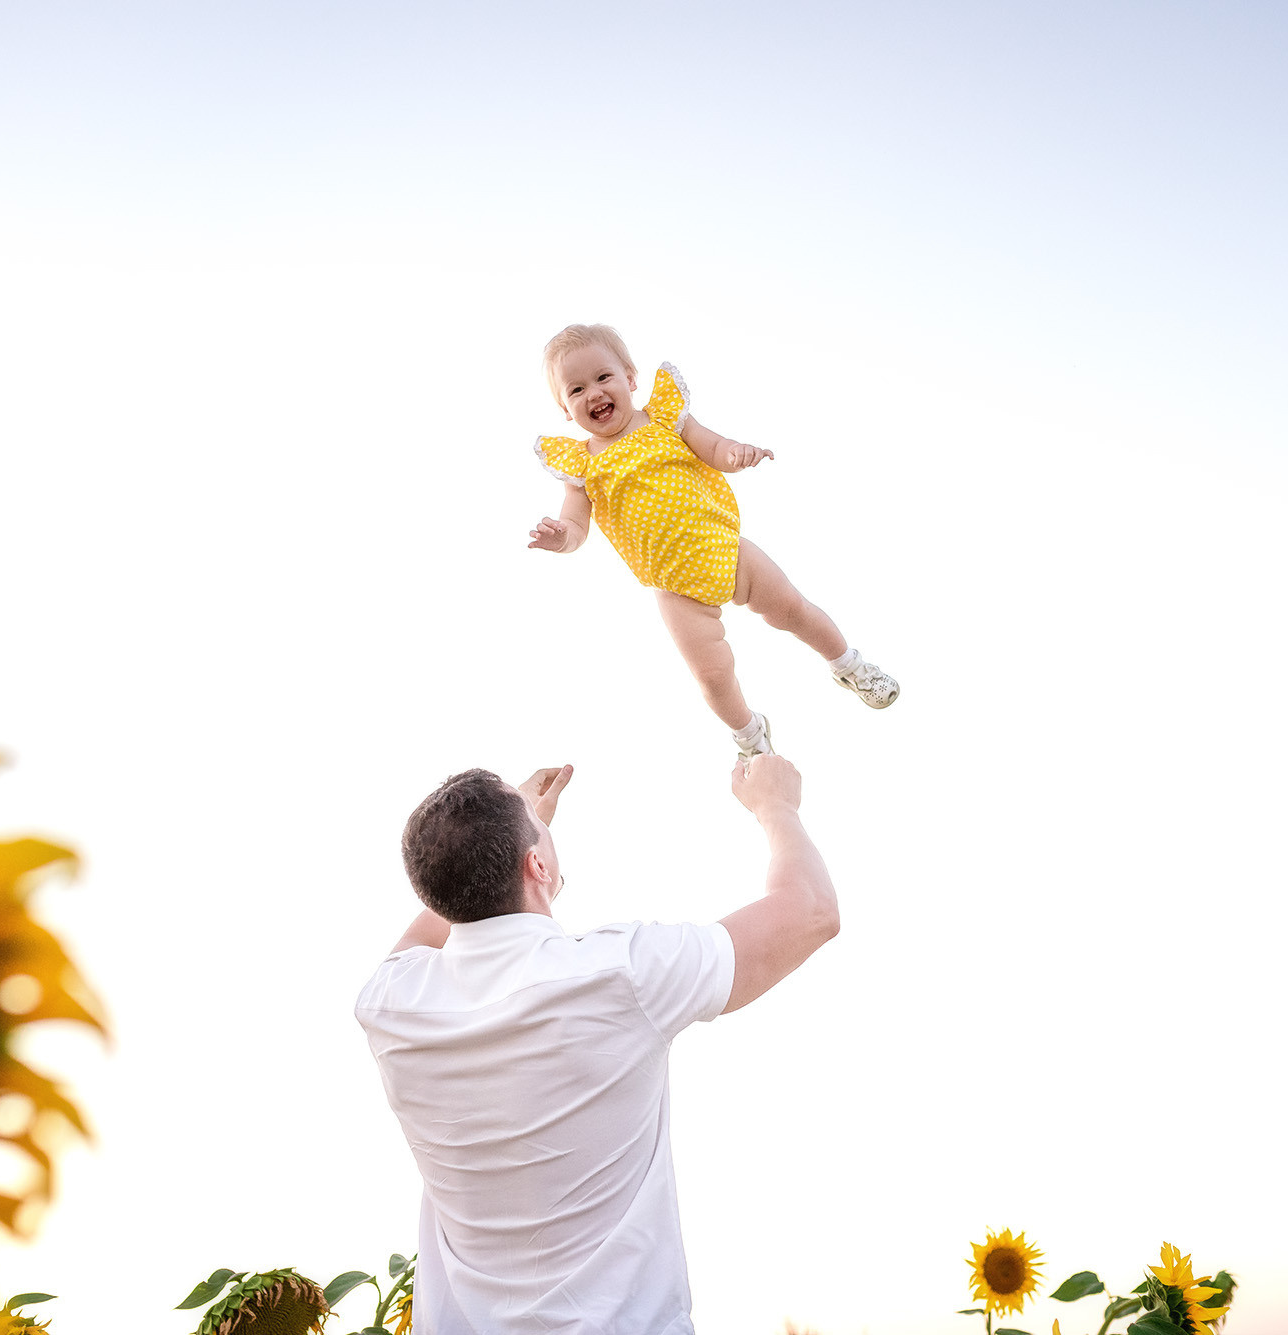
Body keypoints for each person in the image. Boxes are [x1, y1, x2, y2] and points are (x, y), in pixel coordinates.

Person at [354, 755, 839, 1335]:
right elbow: (811, 910)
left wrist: (506, 834)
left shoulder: (389, 1004)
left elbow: (447, 904)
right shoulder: (619, 974)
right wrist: (776, 806)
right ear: (538, 863)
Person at [527, 323, 899, 759]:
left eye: (603, 377)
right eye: (576, 389)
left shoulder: (664, 419)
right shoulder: (582, 464)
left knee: (794, 610)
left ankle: (849, 665)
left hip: (726, 549)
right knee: (712, 675)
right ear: (565, 409)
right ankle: (750, 736)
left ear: (629, 378)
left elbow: (715, 448)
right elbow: (576, 526)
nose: (593, 393)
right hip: (674, 586)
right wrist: (562, 537)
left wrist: (736, 454)